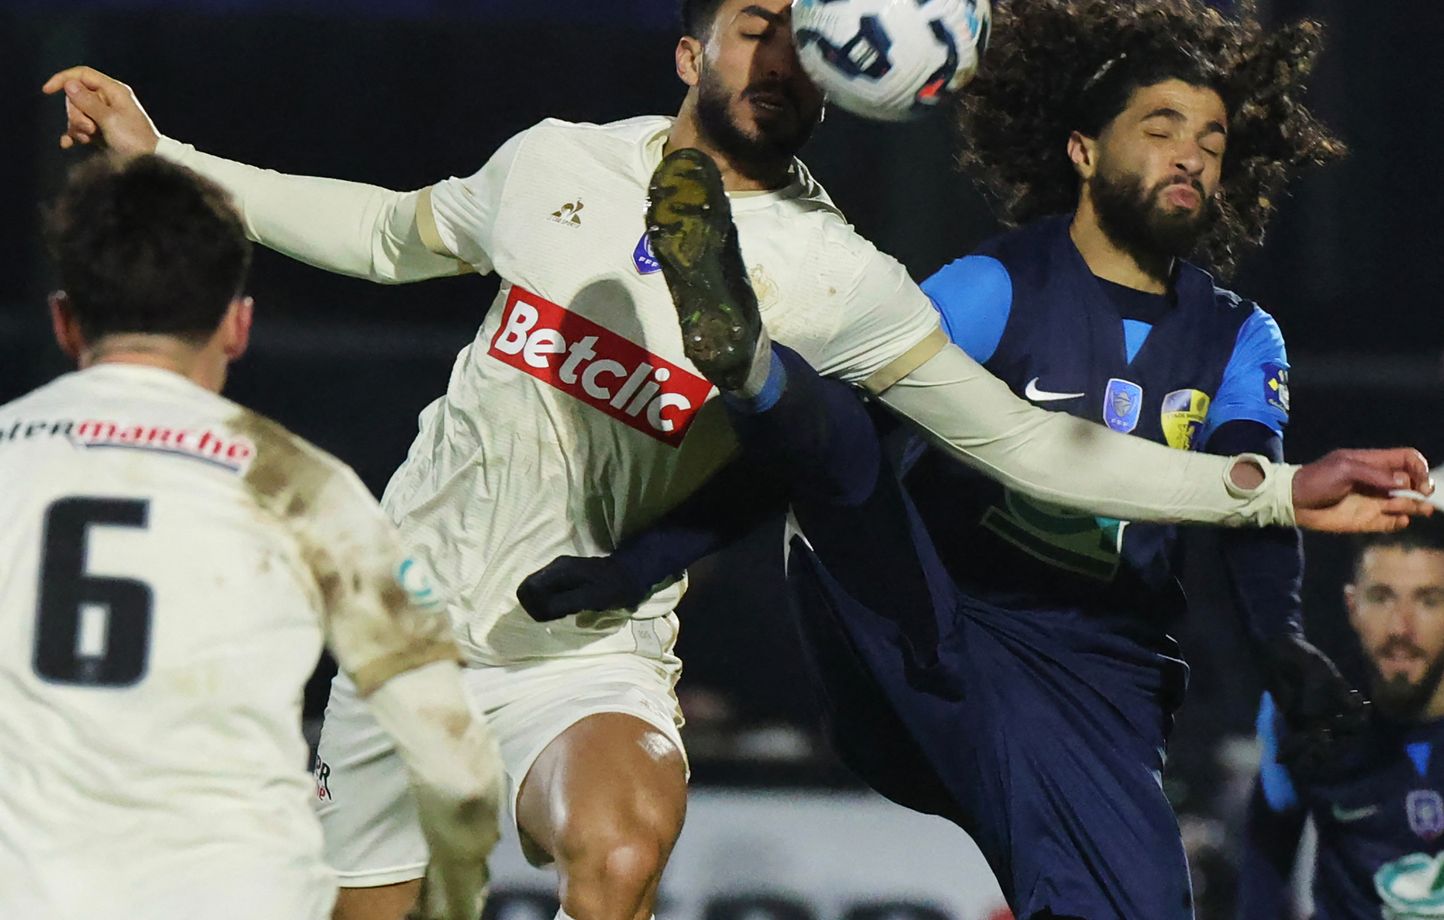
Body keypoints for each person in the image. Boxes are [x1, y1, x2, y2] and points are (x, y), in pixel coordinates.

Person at [42, 1, 1429, 917]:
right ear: (688, 52)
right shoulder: (552, 165)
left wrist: (1262, 486)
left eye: (803, 36)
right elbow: (391, 232)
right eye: (756, 26)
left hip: (585, 650)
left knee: (623, 844)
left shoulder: (849, 274)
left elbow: (1024, 442)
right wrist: (167, 155)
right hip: (409, 628)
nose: (783, 54)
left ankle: (751, 363)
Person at [518, 1, 1430, 917]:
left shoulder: (1239, 335)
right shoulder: (995, 287)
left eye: (1211, 139)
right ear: (1083, 151)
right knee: (842, 426)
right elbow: (823, 448)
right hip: (930, 631)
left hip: (1094, 683)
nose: (1190, 154)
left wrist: (1285, 646)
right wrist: (638, 563)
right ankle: (748, 361)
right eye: (1161, 129)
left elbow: (1257, 500)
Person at [0, 155, 502, 920]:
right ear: (238, 325)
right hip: (233, 893)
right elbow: (454, 760)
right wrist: (457, 896)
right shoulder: (304, 487)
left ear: (65, 320)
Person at [1239, 518, 1444, 919]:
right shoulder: (1310, 716)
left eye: (1428, 600)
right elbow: (1264, 861)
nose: (1401, 627)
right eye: (1382, 597)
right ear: (1353, 607)